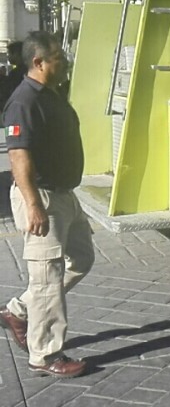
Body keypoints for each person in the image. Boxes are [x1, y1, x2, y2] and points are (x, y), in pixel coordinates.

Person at [0, 31, 94, 378]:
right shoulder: (24, 101)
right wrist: (33, 205)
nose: (65, 59)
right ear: (38, 63)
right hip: (41, 197)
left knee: (82, 259)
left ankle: (17, 310)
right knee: (46, 276)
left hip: (64, 195)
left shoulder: (50, 94)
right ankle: (45, 354)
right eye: (58, 55)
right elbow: (18, 156)